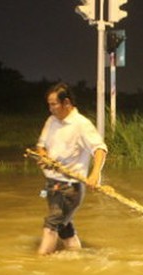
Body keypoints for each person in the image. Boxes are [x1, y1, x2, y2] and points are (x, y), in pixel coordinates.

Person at [35, 82, 107, 255]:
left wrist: (95, 174)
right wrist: (43, 156)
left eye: (53, 104)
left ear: (66, 103)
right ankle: (77, 259)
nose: (50, 108)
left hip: (70, 187)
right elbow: (40, 146)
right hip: (52, 184)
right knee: (64, 227)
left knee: (51, 226)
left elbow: (100, 149)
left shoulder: (81, 124)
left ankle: (39, 264)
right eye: (49, 104)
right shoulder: (51, 121)